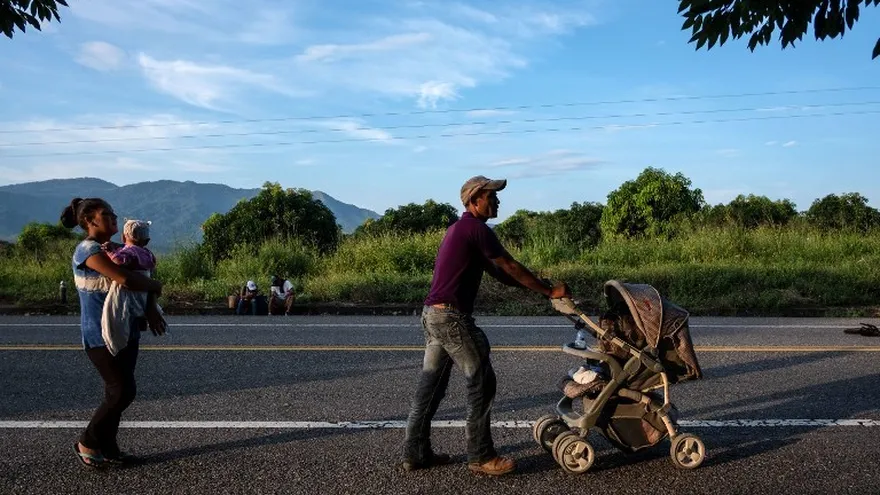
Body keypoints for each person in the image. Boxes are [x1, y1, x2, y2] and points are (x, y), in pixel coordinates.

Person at [402, 175, 571, 476]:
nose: (497, 201)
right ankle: (481, 456)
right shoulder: (476, 229)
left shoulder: (459, 229)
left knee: (430, 388)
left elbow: (501, 274)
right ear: (475, 200)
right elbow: (510, 265)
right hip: (451, 318)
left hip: (433, 315)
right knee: (481, 381)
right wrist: (549, 291)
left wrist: (538, 287)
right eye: (491, 196)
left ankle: (415, 454)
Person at [60, 198, 166, 469]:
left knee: (116, 391)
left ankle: (108, 448)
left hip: (126, 328)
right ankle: (87, 442)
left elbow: (145, 273)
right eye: (106, 214)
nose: (114, 218)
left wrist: (151, 305)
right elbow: (127, 279)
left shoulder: (120, 249)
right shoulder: (87, 250)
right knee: (122, 391)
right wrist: (155, 285)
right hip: (99, 334)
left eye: (113, 213)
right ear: (89, 221)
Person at [101, 219, 164, 356]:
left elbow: (119, 261)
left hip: (128, 291)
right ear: (147, 241)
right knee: (138, 310)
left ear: (123, 237)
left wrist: (110, 251)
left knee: (119, 315)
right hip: (144, 290)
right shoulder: (148, 254)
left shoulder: (128, 253)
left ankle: (117, 344)